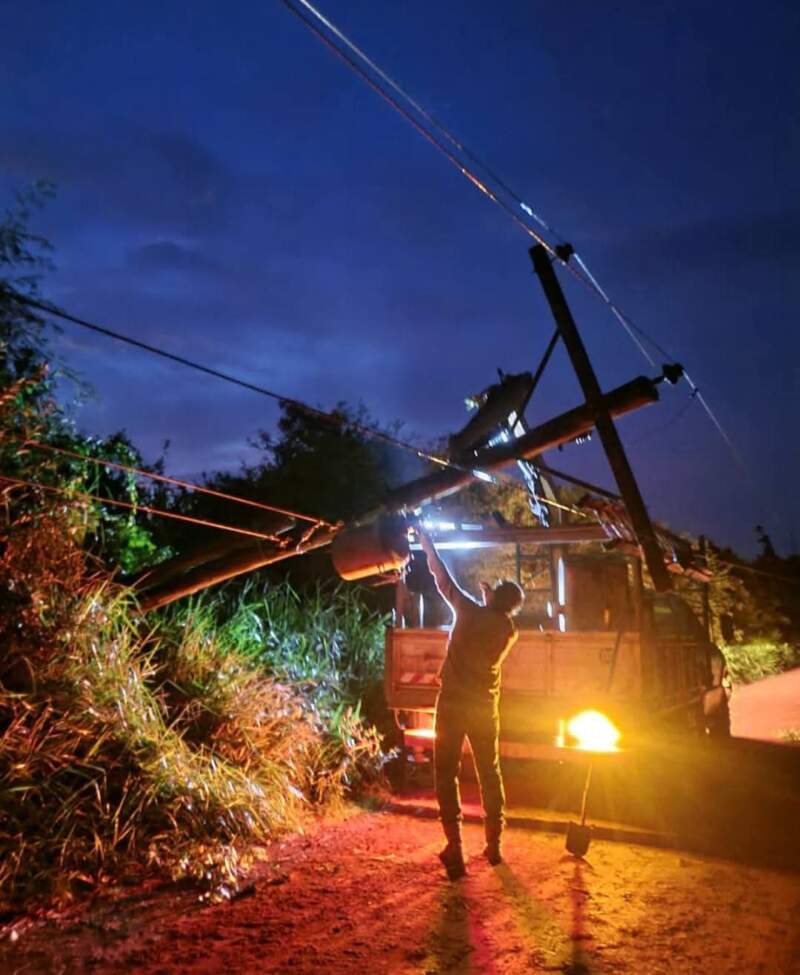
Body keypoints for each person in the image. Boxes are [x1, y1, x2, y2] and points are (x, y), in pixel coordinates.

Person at [418, 530, 524, 880]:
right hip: (484, 708)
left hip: (452, 704)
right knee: (489, 774)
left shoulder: (467, 610)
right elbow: (492, 614)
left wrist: (426, 542)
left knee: (445, 772)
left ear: (494, 597)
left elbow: (442, 577)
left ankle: (455, 848)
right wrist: (490, 598)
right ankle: (493, 846)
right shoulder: (507, 630)